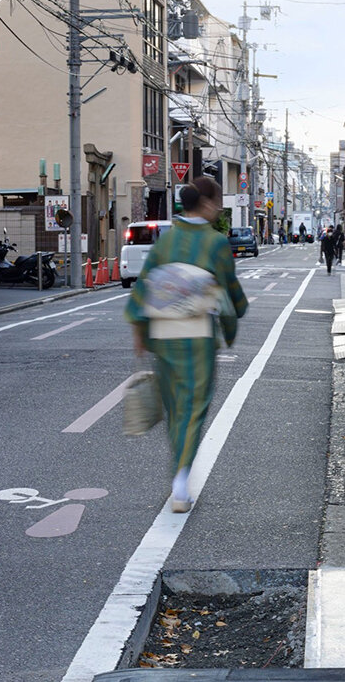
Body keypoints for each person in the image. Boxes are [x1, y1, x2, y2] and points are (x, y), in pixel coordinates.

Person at [125, 176, 248, 513]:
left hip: (163, 335)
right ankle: (180, 482)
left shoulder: (166, 240)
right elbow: (229, 290)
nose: (219, 208)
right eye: (217, 202)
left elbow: (144, 284)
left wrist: (139, 329)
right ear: (205, 204)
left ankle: (179, 474)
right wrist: (233, 320)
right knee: (193, 408)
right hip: (196, 336)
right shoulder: (215, 243)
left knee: (175, 407)